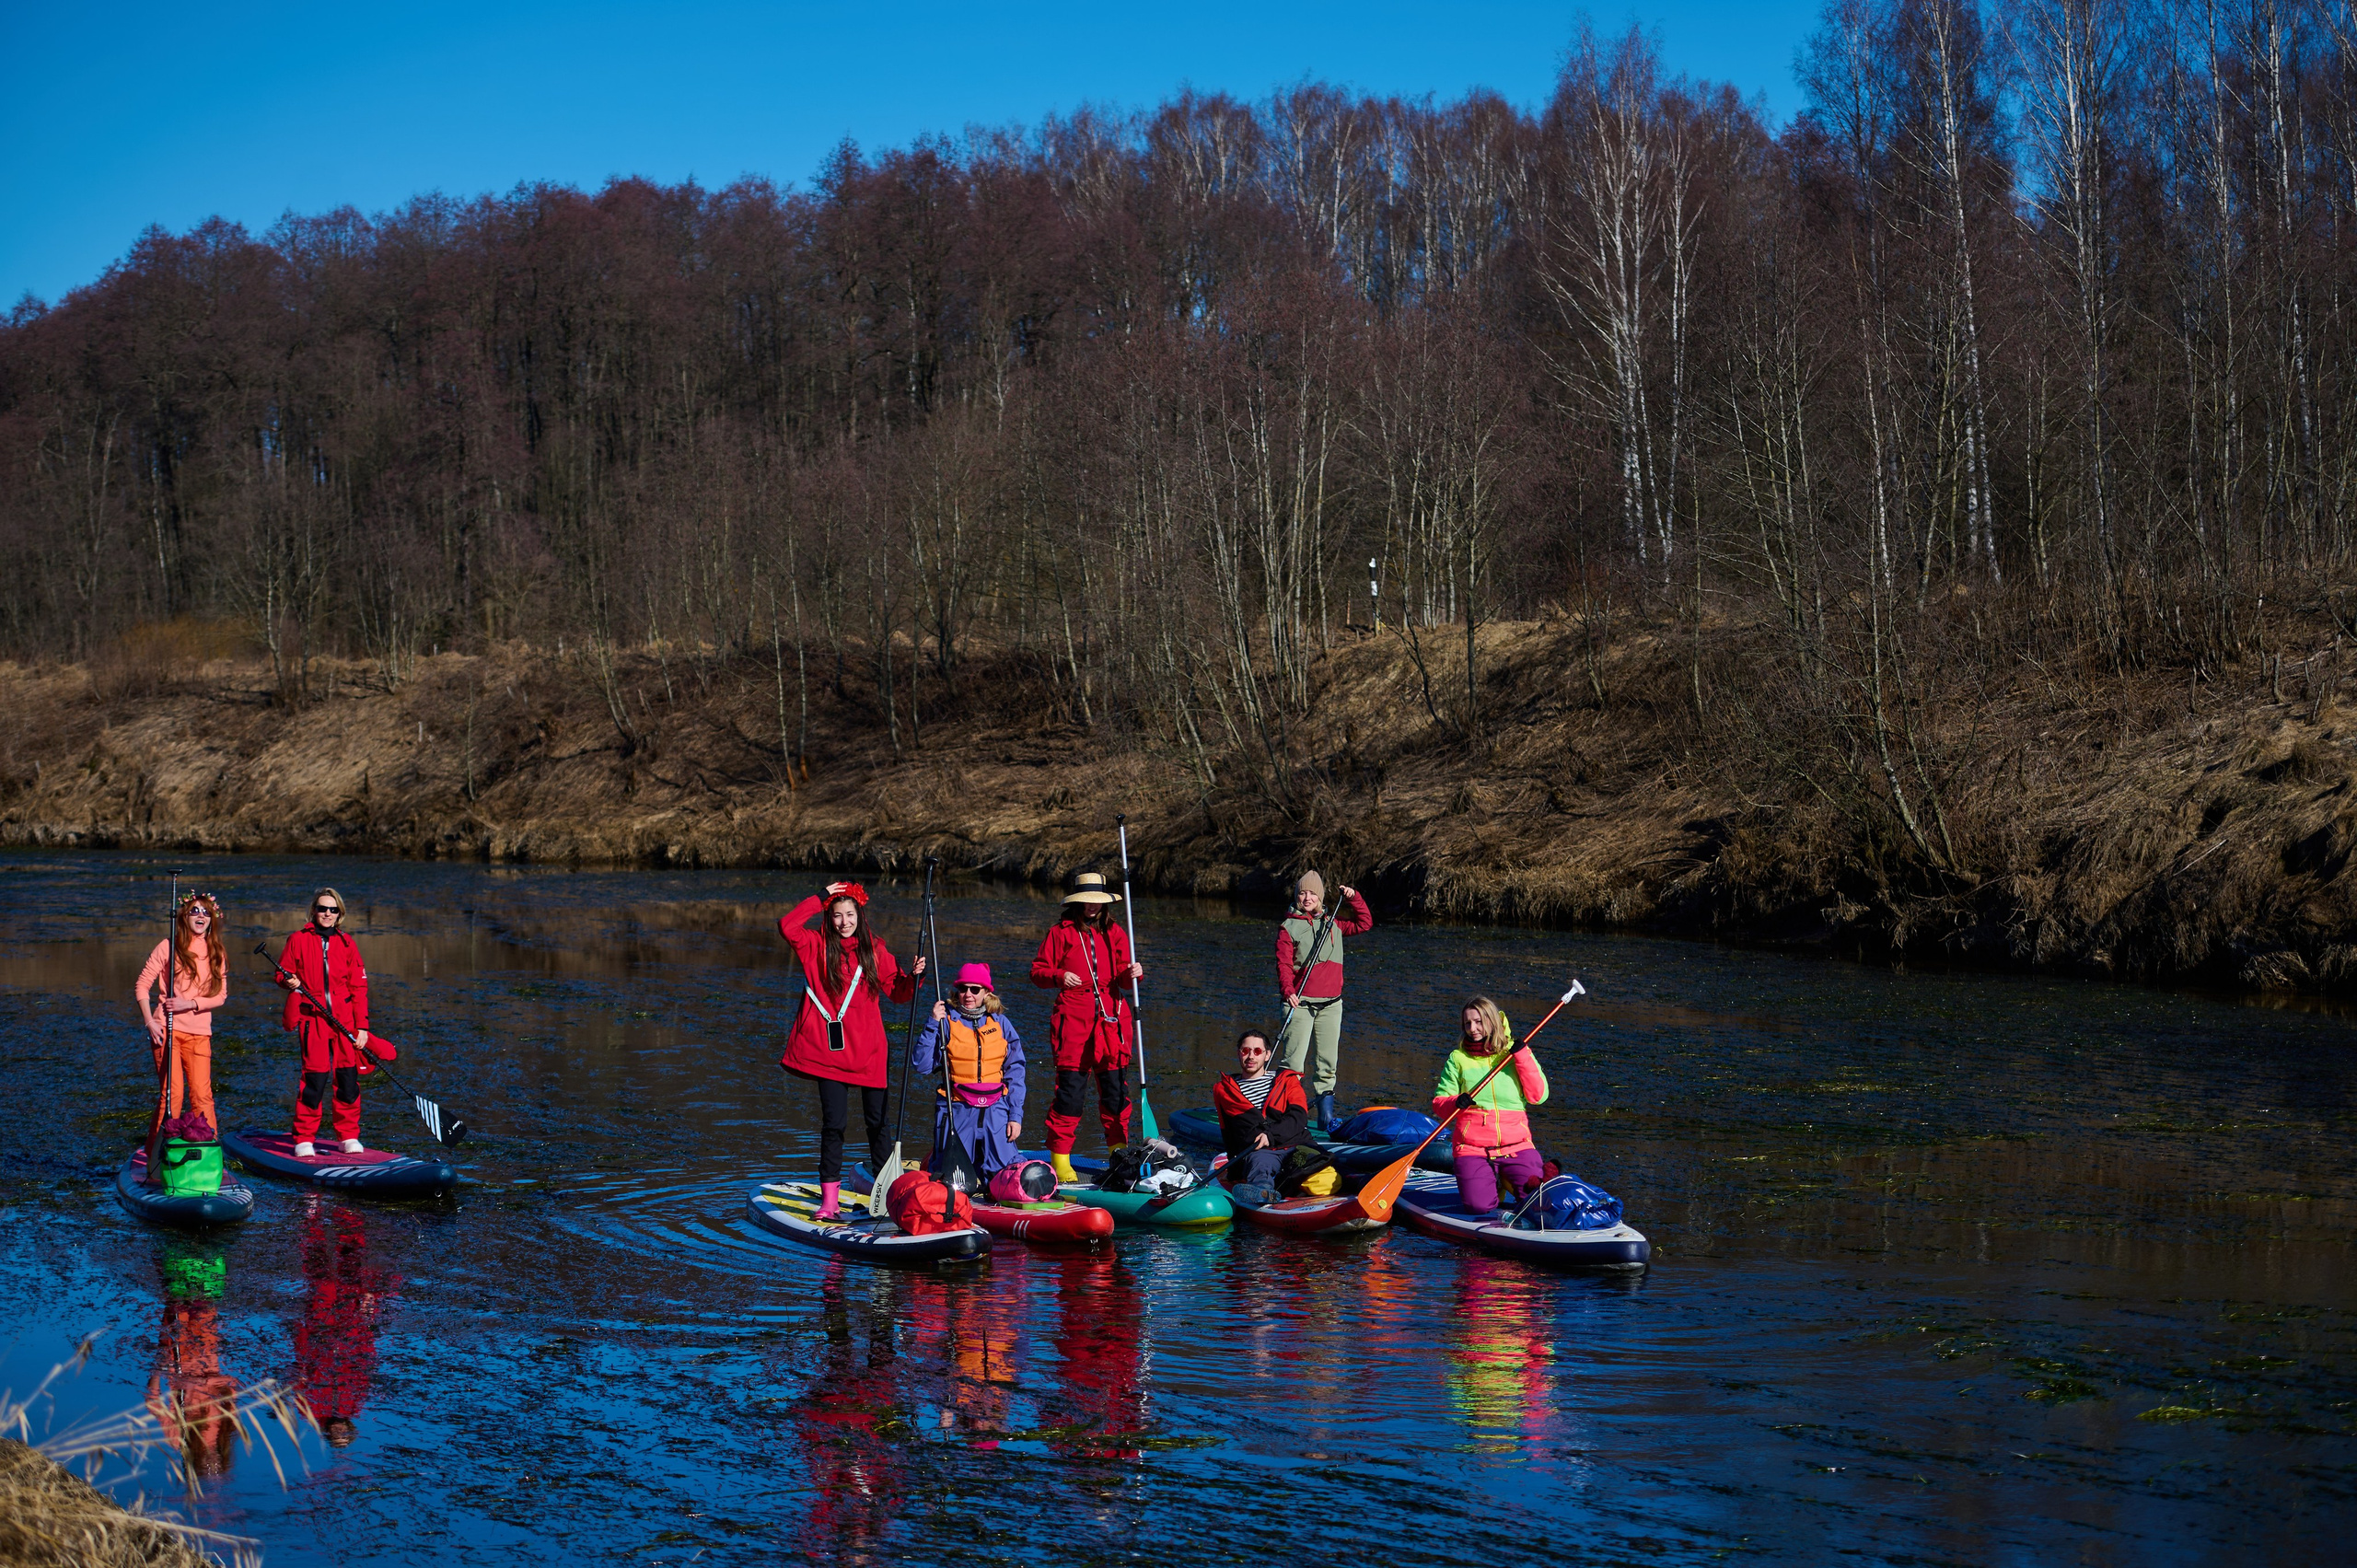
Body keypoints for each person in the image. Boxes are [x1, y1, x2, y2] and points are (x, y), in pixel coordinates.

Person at [777, 880, 923, 1221]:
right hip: (829, 1056)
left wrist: (913, 979)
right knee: (834, 1125)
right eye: (837, 915)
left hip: (870, 1053)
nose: (844, 922)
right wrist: (820, 897)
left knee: (879, 1125)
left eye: (850, 914)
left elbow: (898, 993)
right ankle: (829, 1203)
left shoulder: (875, 950)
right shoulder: (813, 946)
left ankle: (891, 1197)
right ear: (829, 918)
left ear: (860, 914)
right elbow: (787, 925)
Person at [1029, 870, 1142, 1185]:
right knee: (1070, 1093)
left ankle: (1118, 1153)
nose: (1092, 907)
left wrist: (1133, 973)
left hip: (1112, 1020)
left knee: (1116, 1092)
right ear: (1077, 903)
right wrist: (1058, 976)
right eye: (1087, 902)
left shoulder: (1116, 932)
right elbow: (1037, 971)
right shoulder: (1060, 932)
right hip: (1073, 1023)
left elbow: (1122, 977)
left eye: (1097, 902)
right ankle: (1061, 1158)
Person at [274, 888, 387, 1158]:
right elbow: (281, 974)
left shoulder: (347, 943)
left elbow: (359, 988)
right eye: (323, 908)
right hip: (312, 1020)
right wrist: (288, 980)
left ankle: (348, 1135)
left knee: (347, 1079)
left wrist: (362, 1028)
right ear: (314, 911)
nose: (327, 914)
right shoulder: (297, 939)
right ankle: (303, 1138)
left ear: (340, 914)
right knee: (314, 1079)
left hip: (345, 1022)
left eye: (333, 910)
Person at [1431, 996, 1550, 1214]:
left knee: (1539, 1205)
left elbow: (1538, 1096)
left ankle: (1506, 1178)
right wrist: (1456, 1102)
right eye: (1468, 1023)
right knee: (1479, 1206)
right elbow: (1439, 1103)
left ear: (1492, 1021)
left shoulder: (1515, 1054)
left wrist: (1523, 1057)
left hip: (1517, 1145)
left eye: (1478, 1022)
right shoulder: (1458, 1058)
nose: (1472, 1029)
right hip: (1472, 1148)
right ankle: (1494, 1182)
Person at [911, 962, 1027, 1183]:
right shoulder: (945, 1022)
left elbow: (1016, 1072)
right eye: (963, 989)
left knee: (1007, 1170)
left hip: (996, 1109)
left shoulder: (1001, 1023)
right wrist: (932, 1023)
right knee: (953, 1177)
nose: (968, 995)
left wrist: (1015, 1117)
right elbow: (922, 1065)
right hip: (957, 1108)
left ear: (986, 992)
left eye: (975, 989)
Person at [1275, 870, 1372, 1132]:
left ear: (1320, 896)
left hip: (1331, 1005)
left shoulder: (1335, 924)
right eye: (1302, 893)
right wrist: (1288, 991)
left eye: (1312, 893)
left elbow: (1364, 923)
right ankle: (1289, 1116)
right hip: (1300, 1003)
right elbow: (1284, 964)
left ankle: (1325, 1118)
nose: (1307, 897)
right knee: (1293, 1064)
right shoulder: (1289, 927)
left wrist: (1354, 898)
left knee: (1327, 1063)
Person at [136, 891, 227, 1139]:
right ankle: (158, 1158)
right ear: (184, 917)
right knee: (172, 1095)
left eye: (206, 912)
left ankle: (208, 1154)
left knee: (201, 1096)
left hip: (200, 1034)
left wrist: (191, 1003)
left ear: (213, 918)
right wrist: (149, 1023)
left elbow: (220, 996)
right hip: (168, 1032)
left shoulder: (216, 951)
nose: (201, 916)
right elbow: (142, 985)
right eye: (194, 911)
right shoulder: (168, 946)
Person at [1209, 1029, 1318, 1189]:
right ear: (1239, 1054)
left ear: (1267, 1055)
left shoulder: (1288, 1081)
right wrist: (1234, 1172)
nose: (1251, 1056)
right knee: (1260, 1168)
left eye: (1257, 1051)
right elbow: (1229, 1133)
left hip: (1298, 1144)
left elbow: (1299, 1118)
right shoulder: (1223, 1090)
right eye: (1245, 1051)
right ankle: (1263, 1193)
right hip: (1262, 1152)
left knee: (1319, 1165)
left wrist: (1270, 1134)